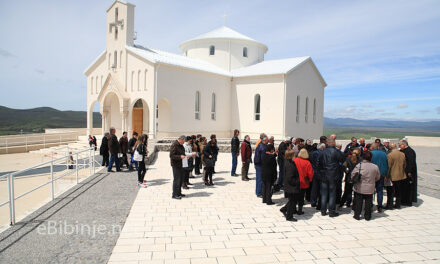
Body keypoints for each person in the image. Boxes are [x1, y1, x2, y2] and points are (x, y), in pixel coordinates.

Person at [317, 138, 344, 217]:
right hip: (333, 175)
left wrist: (321, 171)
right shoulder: (336, 152)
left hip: (324, 174)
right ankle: (331, 211)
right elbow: (342, 160)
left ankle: (323, 210)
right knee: (332, 193)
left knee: (324, 193)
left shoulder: (322, 152)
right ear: (334, 143)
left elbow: (318, 163)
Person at [352, 151, 380, 221]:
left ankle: (357, 215)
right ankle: (367, 216)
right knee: (368, 202)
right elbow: (377, 177)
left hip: (360, 186)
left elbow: (353, 174)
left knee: (359, 201)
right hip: (370, 187)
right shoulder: (375, 166)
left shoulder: (359, 165)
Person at [281, 150, 300, 222]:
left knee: (292, 200)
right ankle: (289, 216)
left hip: (289, 185)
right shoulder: (290, 165)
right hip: (291, 186)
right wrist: (297, 181)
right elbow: (290, 178)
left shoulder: (288, 162)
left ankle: (284, 209)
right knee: (292, 201)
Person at [293, 148, 314, 215]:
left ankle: (293, 209)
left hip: (295, 181)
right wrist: (310, 180)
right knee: (301, 197)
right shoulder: (307, 163)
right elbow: (310, 173)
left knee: (295, 196)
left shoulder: (295, 160)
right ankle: (300, 210)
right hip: (304, 182)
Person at [387, 143, 406, 209]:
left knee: (391, 191)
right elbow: (404, 164)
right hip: (401, 174)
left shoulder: (390, 155)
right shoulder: (402, 154)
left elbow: (389, 166)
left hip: (393, 175)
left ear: (390, 147)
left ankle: (390, 204)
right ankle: (398, 204)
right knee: (398, 191)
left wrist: (387, 175)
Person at [371, 143, 389, 212]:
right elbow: (386, 164)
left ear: (372, 147)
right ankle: (380, 206)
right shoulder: (384, 154)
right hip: (381, 174)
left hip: (372, 174)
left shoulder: (370, 153)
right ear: (378, 147)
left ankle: (370, 205)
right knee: (379, 190)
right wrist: (386, 174)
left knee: (371, 191)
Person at [400, 139, 418, 205]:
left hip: (409, 172)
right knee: (404, 187)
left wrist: (409, 171)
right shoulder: (403, 150)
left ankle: (408, 201)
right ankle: (403, 199)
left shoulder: (410, 151)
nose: (399, 146)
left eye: (400, 145)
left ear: (404, 145)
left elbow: (411, 162)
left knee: (409, 188)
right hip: (404, 171)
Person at [170, 135, 186, 200]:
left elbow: (182, 153)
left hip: (181, 164)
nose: (184, 142)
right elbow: (171, 155)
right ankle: (174, 194)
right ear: (180, 140)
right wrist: (180, 157)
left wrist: (185, 156)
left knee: (180, 179)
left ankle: (179, 192)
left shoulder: (181, 145)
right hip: (175, 165)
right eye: (183, 141)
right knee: (177, 180)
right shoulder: (174, 145)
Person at [310, 143, 325, 209]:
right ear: (322, 148)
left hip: (315, 172)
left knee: (314, 188)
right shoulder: (323, 153)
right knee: (321, 189)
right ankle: (320, 203)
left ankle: (313, 202)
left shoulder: (314, 153)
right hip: (321, 172)